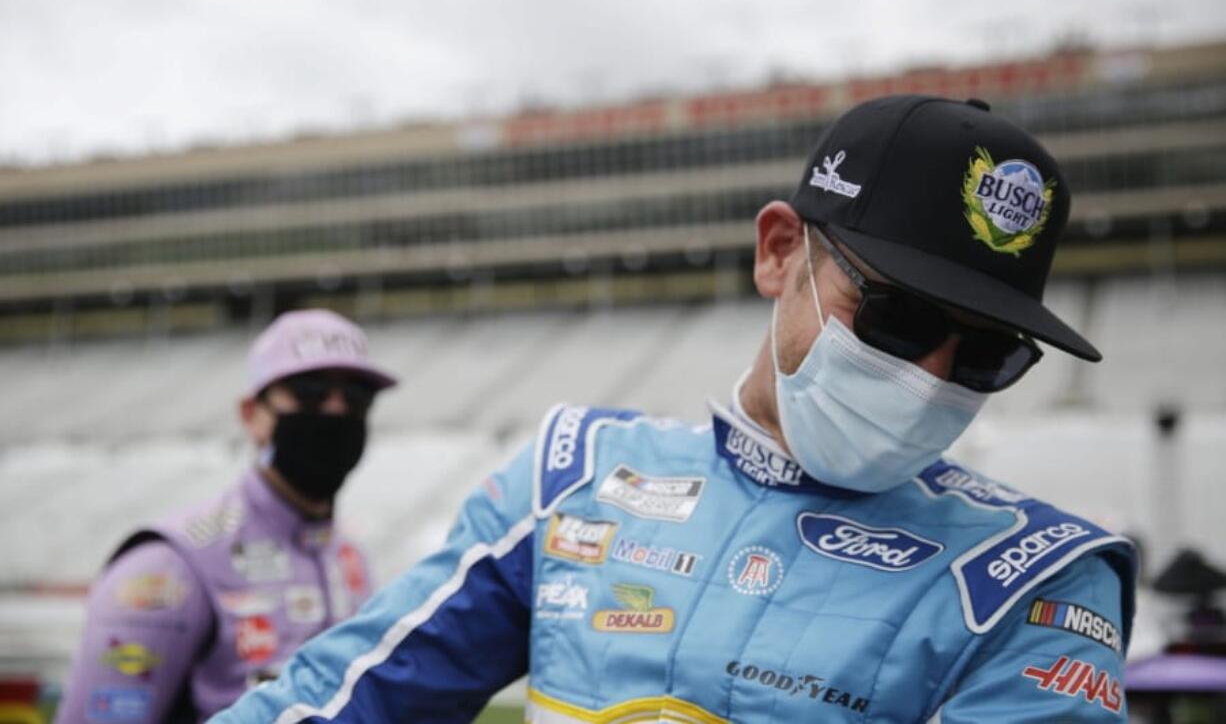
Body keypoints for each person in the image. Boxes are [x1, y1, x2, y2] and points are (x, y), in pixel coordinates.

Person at [208, 96, 1137, 723]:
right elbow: (343, 695)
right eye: (898, 316)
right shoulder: (575, 474)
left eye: (986, 352)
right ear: (780, 253)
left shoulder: (1036, 584)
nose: (932, 375)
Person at [55, 309, 397, 724]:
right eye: (309, 391)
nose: (336, 411)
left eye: (358, 397)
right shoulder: (169, 567)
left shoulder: (351, 558)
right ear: (252, 414)